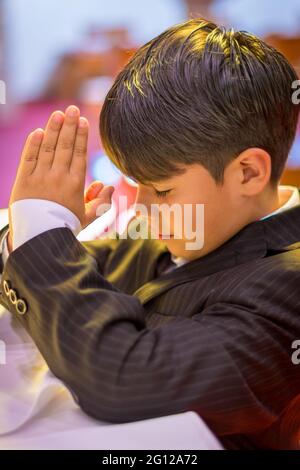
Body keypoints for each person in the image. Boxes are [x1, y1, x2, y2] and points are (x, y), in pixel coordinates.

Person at [1, 17, 300, 449]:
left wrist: (43, 237)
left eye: (160, 189)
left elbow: (124, 379)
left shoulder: (287, 284)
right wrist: (31, 238)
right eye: (135, 184)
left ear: (248, 172)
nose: (140, 207)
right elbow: (53, 275)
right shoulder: (193, 227)